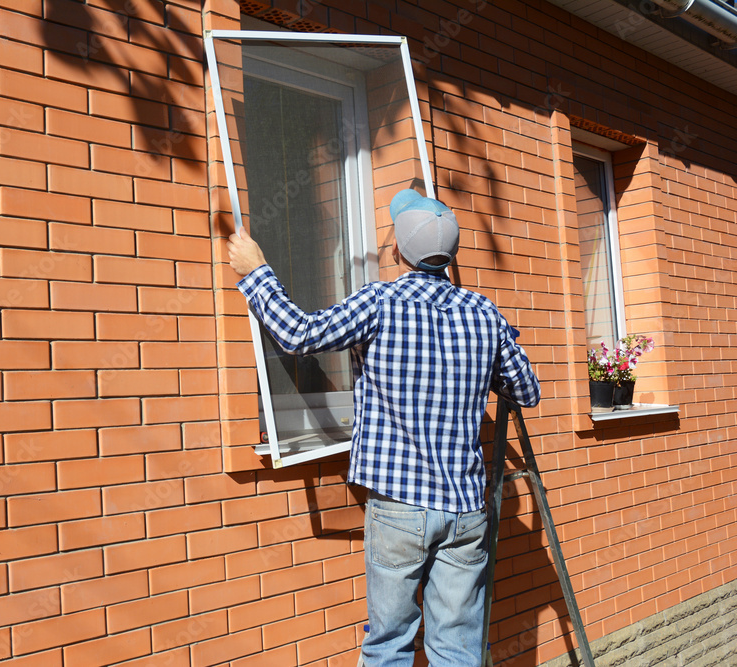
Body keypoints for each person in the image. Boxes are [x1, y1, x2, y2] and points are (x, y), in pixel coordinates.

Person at [227, 189, 541, 666]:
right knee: (458, 651)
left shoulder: (380, 302)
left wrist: (255, 270)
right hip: (465, 510)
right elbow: (527, 392)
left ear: (397, 252)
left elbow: (298, 335)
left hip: (399, 509)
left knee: (389, 646)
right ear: (449, 257)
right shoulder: (484, 313)